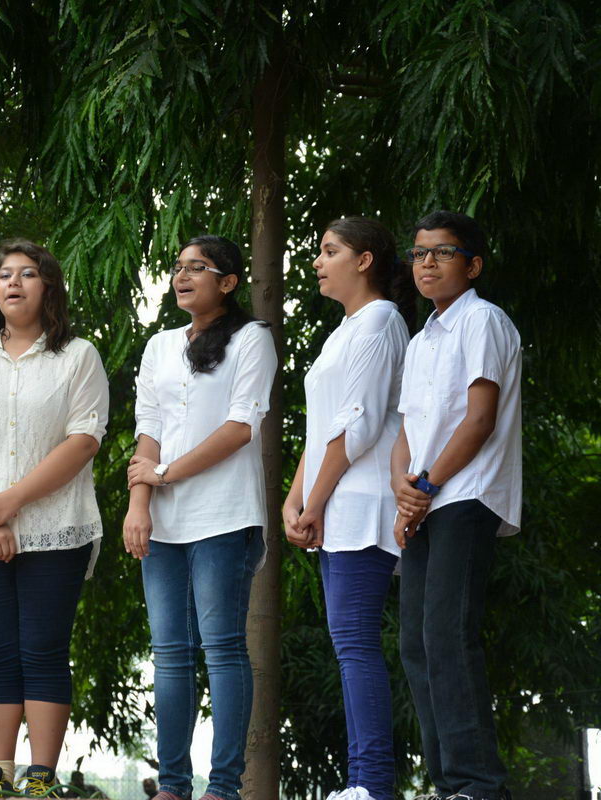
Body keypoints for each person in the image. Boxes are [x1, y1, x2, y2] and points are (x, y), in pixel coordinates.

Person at [0, 240, 109, 797]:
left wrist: (10, 502)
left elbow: (84, 440)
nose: (13, 282)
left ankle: (41, 779)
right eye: (4, 275)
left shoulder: (78, 355)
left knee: (43, 650)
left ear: (48, 286)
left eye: (28, 274)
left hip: (56, 527)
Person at [123, 235, 276, 800]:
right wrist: (140, 503)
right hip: (162, 521)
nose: (182, 276)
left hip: (224, 515)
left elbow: (240, 428)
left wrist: (164, 475)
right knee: (169, 654)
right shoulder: (160, 345)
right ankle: (172, 785)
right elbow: (148, 429)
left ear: (228, 282)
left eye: (198, 267)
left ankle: (224, 787)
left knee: (222, 647)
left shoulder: (252, 338)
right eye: (178, 267)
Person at [281, 217, 414, 800]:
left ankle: (373, 782)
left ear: (364, 261)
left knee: (356, 642)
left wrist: (313, 502)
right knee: (348, 645)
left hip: (362, 504)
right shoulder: (345, 330)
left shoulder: (381, 321)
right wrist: (294, 499)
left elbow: (356, 425)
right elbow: (322, 430)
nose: (317, 261)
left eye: (329, 251)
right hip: (333, 505)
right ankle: (362, 781)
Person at [392, 211, 521, 800]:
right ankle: (449, 785)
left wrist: (423, 486)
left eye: (442, 252)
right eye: (419, 253)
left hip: (466, 494)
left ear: (472, 265)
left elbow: (479, 419)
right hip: (425, 500)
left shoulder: (483, 320)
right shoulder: (420, 341)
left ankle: (479, 785)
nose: (427, 263)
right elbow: (406, 431)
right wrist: (403, 488)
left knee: (447, 634)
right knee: (416, 644)